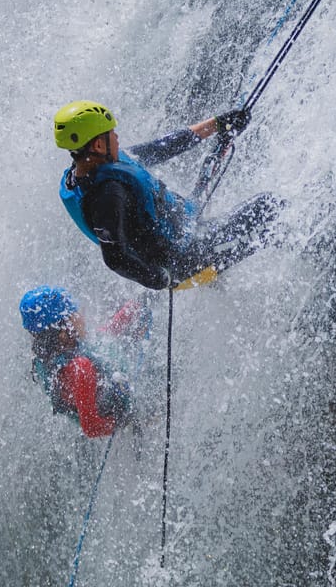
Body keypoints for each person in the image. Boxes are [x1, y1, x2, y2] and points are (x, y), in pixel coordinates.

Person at [53, 100, 284, 290]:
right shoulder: (108, 195)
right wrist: (158, 279)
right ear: (98, 146)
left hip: (184, 229)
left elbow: (161, 148)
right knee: (270, 207)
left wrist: (218, 124)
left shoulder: (93, 167)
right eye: (111, 133)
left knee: (207, 181)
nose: (117, 137)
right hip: (185, 259)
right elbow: (115, 258)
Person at [19, 285, 146, 438]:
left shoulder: (55, 353)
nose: (81, 316)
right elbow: (91, 428)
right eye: (74, 313)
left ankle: (138, 304)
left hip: (101, 382)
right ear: (63, 332)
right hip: (109, 404)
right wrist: (123, 420)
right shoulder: (80, 369)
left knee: (106, 337)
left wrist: (134, 308)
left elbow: (104, 337)